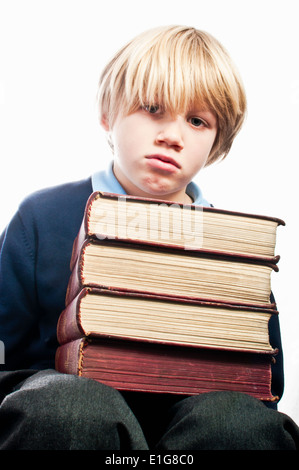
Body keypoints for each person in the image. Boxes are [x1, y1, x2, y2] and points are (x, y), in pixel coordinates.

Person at [0, 25, 298, 450]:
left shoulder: (236, 245)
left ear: (217, 142)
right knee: (69, 408)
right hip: (70, 426)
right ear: (109, 114)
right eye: (153, 109)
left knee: (237, 423)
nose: (172, 136)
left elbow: (265, 380)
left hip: (195, 432)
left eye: (197, 121)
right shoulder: (42, 217)